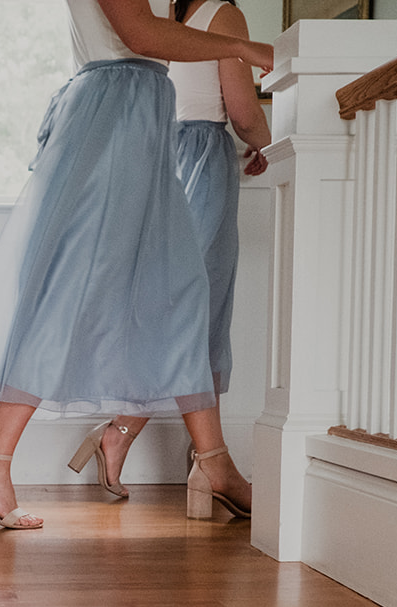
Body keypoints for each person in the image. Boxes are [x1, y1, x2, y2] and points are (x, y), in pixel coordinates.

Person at [0, 0, 272, 529]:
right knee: (69, 295)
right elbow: (140, 33)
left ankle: (213, 463)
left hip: (136, 114)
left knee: (181, 294)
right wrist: (238, 47)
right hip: (117, 114)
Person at [67, 0, 271, 520]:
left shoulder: (160, 19)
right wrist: (272, 142)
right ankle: (190, 457)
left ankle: (156, 445)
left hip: (154, 152)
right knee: (193, 316)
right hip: (201, 162)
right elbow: (245, 114)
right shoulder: (225, 18)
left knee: (170, 312)